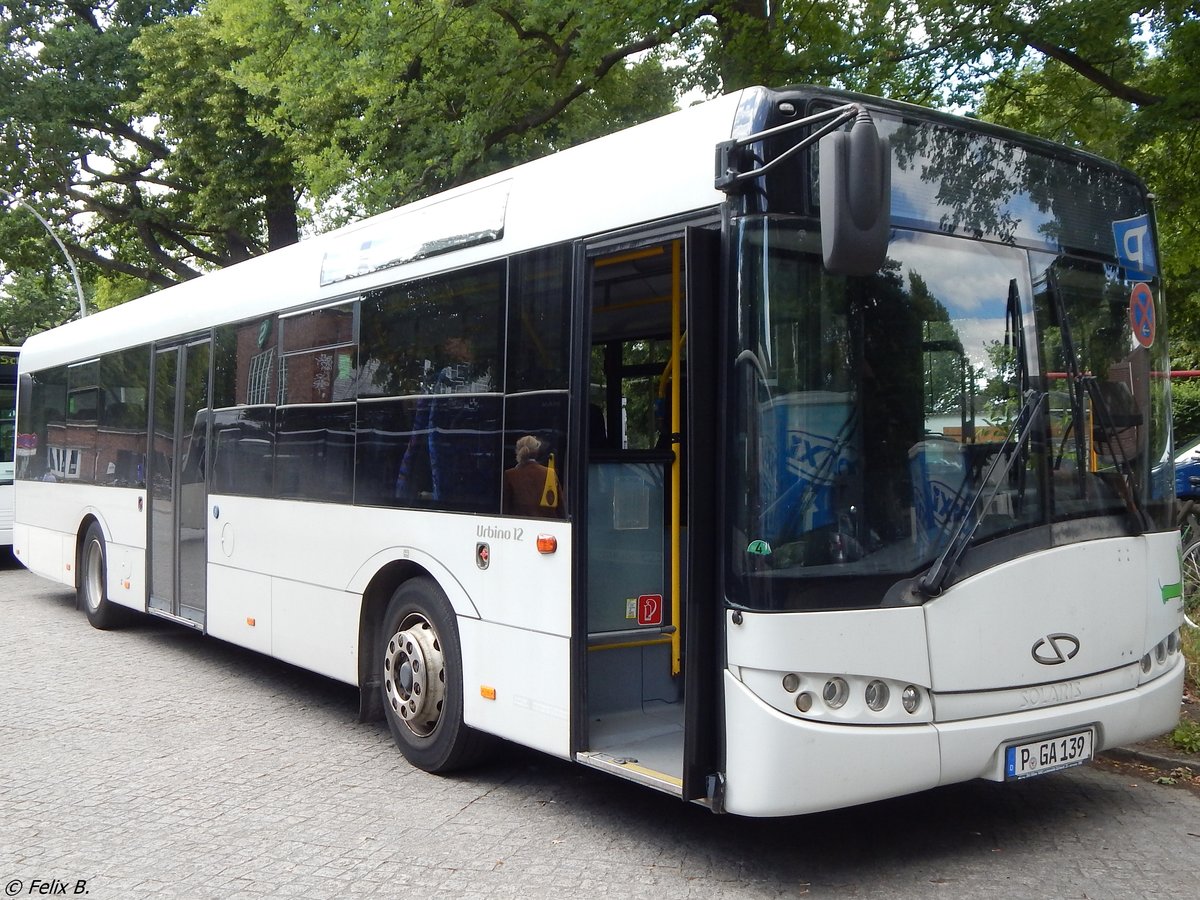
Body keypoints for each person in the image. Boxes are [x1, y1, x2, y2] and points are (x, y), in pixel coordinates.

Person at [503, 435, 564, 518]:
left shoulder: (510, 474)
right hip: (546, 526)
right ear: (537, 452)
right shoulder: (549, 473)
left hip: (519, 527)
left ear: (518, 450)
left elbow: (505, 508)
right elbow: (560, 507)